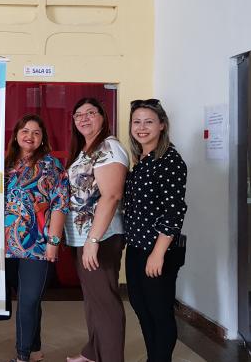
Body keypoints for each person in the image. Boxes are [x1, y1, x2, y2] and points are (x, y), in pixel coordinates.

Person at [64, 97, 128, 362]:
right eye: (78, 114)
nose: (84, 118)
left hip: (101, 237)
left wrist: (93, 240)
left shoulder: (109, 147)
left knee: (105, 302)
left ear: (103, 117)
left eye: (91, 112)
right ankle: (93, 353)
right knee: (94, 299)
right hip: (84, 236)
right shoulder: (87, 149)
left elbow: (111, 196)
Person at [124, 99, 187, 362]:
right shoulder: (142, 160)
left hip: (158, 250)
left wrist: (158, 253)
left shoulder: (169, 160)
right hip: (137, 247)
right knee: (142, 308)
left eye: (148, 122)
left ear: (162, 125)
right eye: (136, 122)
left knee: (160, 313)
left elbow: (174, 212)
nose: (142, 127)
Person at [2, 114, 69, 362]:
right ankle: (35, 350)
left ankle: (22, 356)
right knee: (17, 303)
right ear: (16, 135)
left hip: (37, 245)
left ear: (42, 139)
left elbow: (60, 204)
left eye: (36, 132)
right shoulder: (4, 164)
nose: (30, 136)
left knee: (29, 299)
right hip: (4, 245)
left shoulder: (51, 165)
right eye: (25, 131)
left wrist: (54, 243)